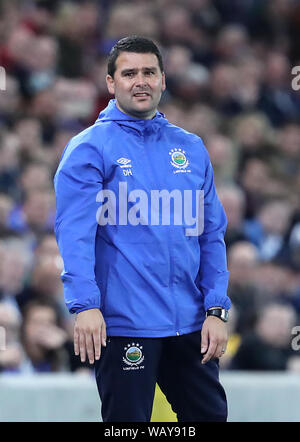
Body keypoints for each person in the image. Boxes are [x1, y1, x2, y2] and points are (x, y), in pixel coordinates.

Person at [54, 36, 231, 422]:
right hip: (124, 323)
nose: (140, 81)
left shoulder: (191, 147)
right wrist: (85, 305)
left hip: (190, 323)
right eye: (129, 73)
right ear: (110, 83)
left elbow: (211, 235)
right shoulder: (89, 148)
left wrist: (216, 309)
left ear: (163, 80)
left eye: (149, 72)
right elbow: (74, 236)